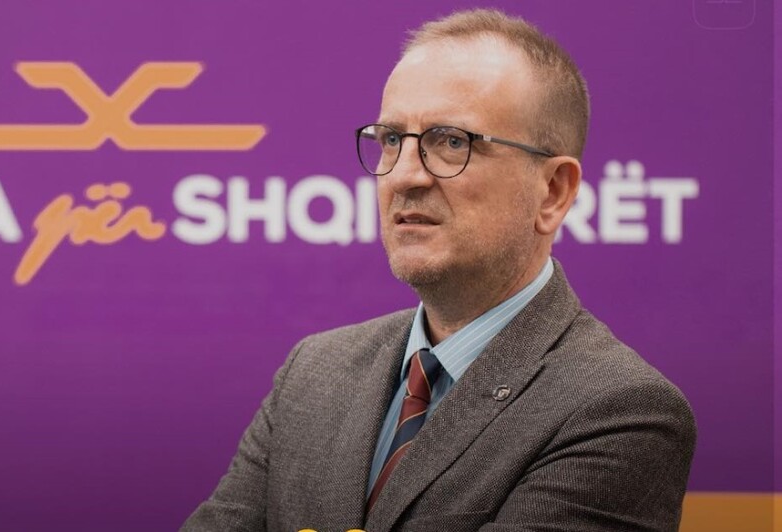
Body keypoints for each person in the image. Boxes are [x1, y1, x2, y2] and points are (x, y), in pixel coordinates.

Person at [181, 9, 696, 532]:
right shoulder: (314, 372)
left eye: (451, 142)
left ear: (553, 191)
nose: (403, 176)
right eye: (390, 139)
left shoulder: (619, 411)